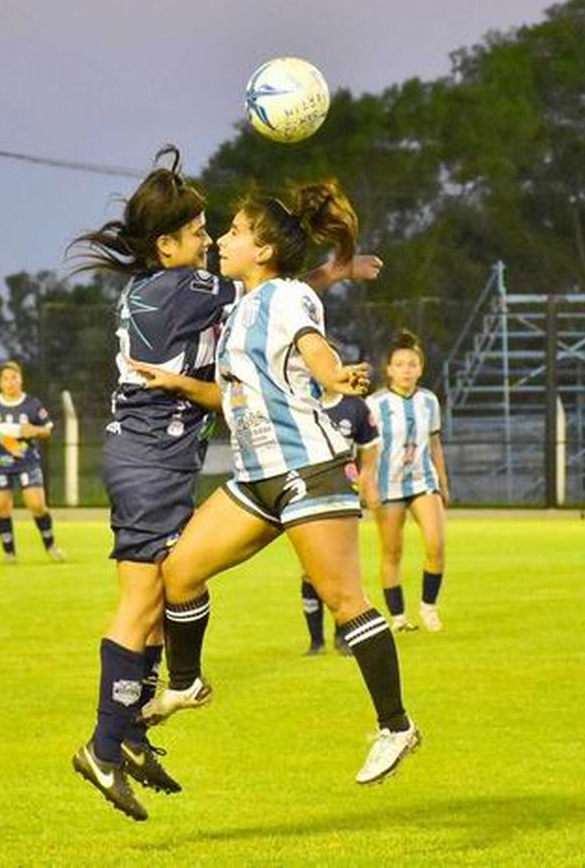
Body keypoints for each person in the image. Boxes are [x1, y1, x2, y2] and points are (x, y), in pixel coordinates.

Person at [67, 149, 381, 821]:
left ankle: (130, 733)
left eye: (217, 229)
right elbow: (269, 287)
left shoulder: (162, 286)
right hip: (148, 461)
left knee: (164, 588)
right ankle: (105, 741)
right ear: (167, 245)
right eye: (201, 231)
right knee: (141, 600)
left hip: (155, 458)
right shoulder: (190, 289)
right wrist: (329, 270)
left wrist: (333, 270)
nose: (211, 240)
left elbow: (265, 301)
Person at [136, 182, 420, 787]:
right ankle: (185, 684)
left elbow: (314, 348)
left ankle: (395, 726)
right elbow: (234, 395)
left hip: (307, 471)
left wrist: (336, 374)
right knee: (180, 572)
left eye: (235, 232)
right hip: (255, 478)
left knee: (345, 602)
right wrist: (179, 384)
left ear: (262, 251)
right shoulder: (241, 307)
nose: (222, 240)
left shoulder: (287, 297)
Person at [366, 331, 449, 631]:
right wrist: (368, 486)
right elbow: (367, 450)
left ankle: (429, 607)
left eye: (412, 364)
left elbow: (435, 444)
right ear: (389, 369)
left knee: (436, 544)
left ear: (421, 368)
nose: (406, 370)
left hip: (422, 480)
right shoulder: (376, 404)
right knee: (392, 552)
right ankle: (399, 618)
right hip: (388, 485)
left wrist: (443, 481)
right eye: (399, 364)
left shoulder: (429, 401)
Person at [300, 388, 379, 656]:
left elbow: (370, 445)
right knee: (309, 569)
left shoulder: (354, 406)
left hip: (344, 492)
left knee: (341, 566)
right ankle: (315, 641)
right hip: (307, 491)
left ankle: (342, 636)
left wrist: (367, 480)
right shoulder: (298, 399)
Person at [0, 361, 63, 563]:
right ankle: (9, 553)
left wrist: (33, 430)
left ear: (21, 380)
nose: (10, 382)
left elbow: (47, 429)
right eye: (6, 378)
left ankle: (50, 546)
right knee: (2, 507)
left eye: (14, 378)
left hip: (27, 462)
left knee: (37, 505)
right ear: (0, 382)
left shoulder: (32, 405)